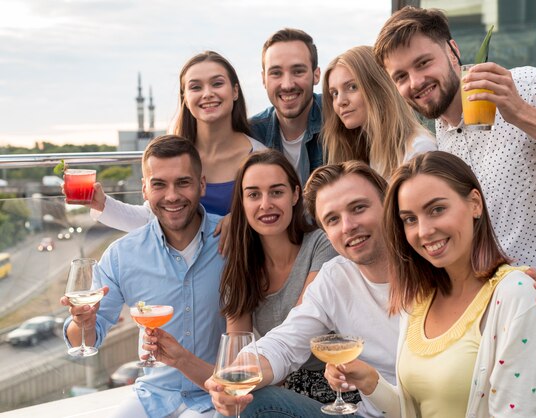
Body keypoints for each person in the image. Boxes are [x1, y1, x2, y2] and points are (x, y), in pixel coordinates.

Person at [205, 161, 536, 418]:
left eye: (359, 208)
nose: (348, 226)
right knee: (252, 402)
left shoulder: (432, 272)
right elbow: (286, 341)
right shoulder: (340, 277)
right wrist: (236, 374)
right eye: (332, 219)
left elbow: (515, 307)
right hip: (378, 407)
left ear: (388, 208)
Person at [372, 6, 536, 356]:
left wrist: (519, 112)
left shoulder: (524, 84)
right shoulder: (443, 134)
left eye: (422, 63)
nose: (415, 82)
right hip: (486, 314)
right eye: (400, 76)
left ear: (453, 51)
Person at [325, 151, 536, 417]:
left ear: (475, 204)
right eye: (410, 219)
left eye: (437, 209)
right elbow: (412, 411)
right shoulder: (419, 299)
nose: (423, 231)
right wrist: (370, 382)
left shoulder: (516, 293)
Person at [142, 149, 342, 404]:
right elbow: (233, 373)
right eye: (253, 194)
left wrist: (248, 383)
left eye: (277, 192)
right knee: (237, 402)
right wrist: (181, 358)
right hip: (272, 389)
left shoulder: (322, 246)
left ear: (294, 195)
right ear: (242, 203)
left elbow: (299, 334)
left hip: (333, 391)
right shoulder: (240, 269)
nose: (265, 204)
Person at [61, 135, 225, 418]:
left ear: (201, 185)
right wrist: (82, 321)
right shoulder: (121, 255)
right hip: (153, 395)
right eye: (159, 184)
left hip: (215, 396)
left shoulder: (231, 242)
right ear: (145, 190)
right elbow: (85, 338)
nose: (172, 196)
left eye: (183, 182)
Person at [84, 51, 265, 234]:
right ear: (184, 97)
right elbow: (153, 219)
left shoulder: (258, 156)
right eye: (196, 87)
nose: (208, 93)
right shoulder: (176, 155)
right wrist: (103, 204)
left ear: (235, 91)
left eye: (217, 84)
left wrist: (240, 220)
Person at [322, 45, 436, 179]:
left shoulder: (418, 151)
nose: (341, 101)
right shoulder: (369, 152)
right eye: (334, 93)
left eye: (352, 87)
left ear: (378, 87)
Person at [250, 28, 324, 182]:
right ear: (264, 79)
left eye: (298, 71)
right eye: (276, 73)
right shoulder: (251, 134)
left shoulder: (339, 119)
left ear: (316, 75)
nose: (287, 85)